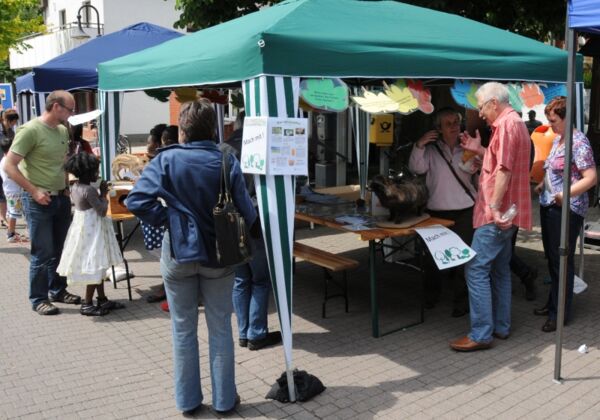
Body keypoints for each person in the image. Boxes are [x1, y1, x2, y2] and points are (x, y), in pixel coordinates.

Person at [127, 98, 256, 415]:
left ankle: (188, 401)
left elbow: (136, 200)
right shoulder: (227, 160)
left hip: (178, 253)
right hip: (219, 254)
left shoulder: (166, 159)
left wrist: (169, 219)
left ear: (182, 131)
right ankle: (225, 401)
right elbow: (248, 212)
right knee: (221, 328)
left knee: (182, 329)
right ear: (213, 129)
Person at [449, 82, 532, 352]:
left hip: (496, 214)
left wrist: (494, 207)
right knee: (499, 269)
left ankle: (482, 333)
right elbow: (500, 162)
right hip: (508, 211)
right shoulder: (514, 123)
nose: (480, 113)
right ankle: (501, 327)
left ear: (494, 103)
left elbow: (505, 170)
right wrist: (480, 149)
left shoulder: (507, 125)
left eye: (481, 106)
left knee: (475, 268)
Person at [4, 91, 82, 315]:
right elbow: (9, 166)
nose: (71, 113)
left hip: (60, 198)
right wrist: (34, 191)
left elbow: (61, 163)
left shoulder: (61, 130)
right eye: (70, 109)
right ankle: (38, 298)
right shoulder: (30, 130)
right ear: (56, 106)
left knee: (60, 249)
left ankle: (58, 289)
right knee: (42, 251)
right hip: (37, 200)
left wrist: (67, 186)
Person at [220, 110, 283, 350]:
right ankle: (256, 333)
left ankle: (244, 332)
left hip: (227, 223)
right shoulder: (259, 146)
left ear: (235, 125)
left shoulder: (221, 148)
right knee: (259, 279)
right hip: (254, 222)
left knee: (240, 279)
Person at [533, 96, 596, 332]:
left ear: (567, 118)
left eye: (554, 121)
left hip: (567, 209)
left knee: (561, 260)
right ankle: (553, 302)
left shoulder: (578, 143)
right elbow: (555, 170)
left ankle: (559, 313)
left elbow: (591, 178)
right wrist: (543, 186)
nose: (551, 126)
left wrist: (566, 194)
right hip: (551, 204)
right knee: (552, 257)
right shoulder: (560, 139)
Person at [409, 107, 476, 317]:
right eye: (449, 124)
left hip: (465, 210)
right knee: (432, 259)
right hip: (437, 212)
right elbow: (416, 169)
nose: (455, 127)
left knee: (464, 259)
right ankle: (431, 296)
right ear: (438, 128)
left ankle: (461, 302)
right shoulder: (430, 150)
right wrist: (419, 145)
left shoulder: (468, 146)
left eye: (456, 122)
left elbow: (474, 170)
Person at [57, 153, 125, 316]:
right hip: (93, 231)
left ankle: (102, 298)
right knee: (95, 268)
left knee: (99, 265)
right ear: (88, 172)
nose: (97, 174)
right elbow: (101, 211)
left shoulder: (75, 187)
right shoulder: (89, 190)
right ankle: (87, 303)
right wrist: (103, 194)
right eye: (95, 171)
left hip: (85, 230)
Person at [0, 137, 28, 243]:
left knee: (12, 212)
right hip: (13, 191)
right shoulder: (7, 161)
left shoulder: (5, 159)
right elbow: (13, 175)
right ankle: (10, 234)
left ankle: (11, 232)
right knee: (14, 213)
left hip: (11, 189)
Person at [0, 109, 19, 229]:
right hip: (1, 163)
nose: (14, 125)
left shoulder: (11, 132)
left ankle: (4, 216)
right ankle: (3, 217)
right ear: (7, 120)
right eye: (13, 122)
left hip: (8, 161)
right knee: (2, 191)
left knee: (5, 190)